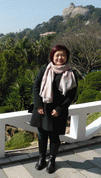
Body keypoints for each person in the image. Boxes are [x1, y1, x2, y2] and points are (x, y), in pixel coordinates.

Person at [30, 45, 77, 174]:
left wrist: (60, 108)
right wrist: (38, 105)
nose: (60, 58)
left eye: (63, 55)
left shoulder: (71, 73)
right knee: (42, 135)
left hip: (58, 111)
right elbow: (35, 87)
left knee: (54, 136)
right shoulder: (45, 69)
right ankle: (41, 158)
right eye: (57, 55)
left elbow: (71, 95)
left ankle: (52, 160)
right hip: (43, 109)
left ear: (67, 57)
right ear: (52, 56)